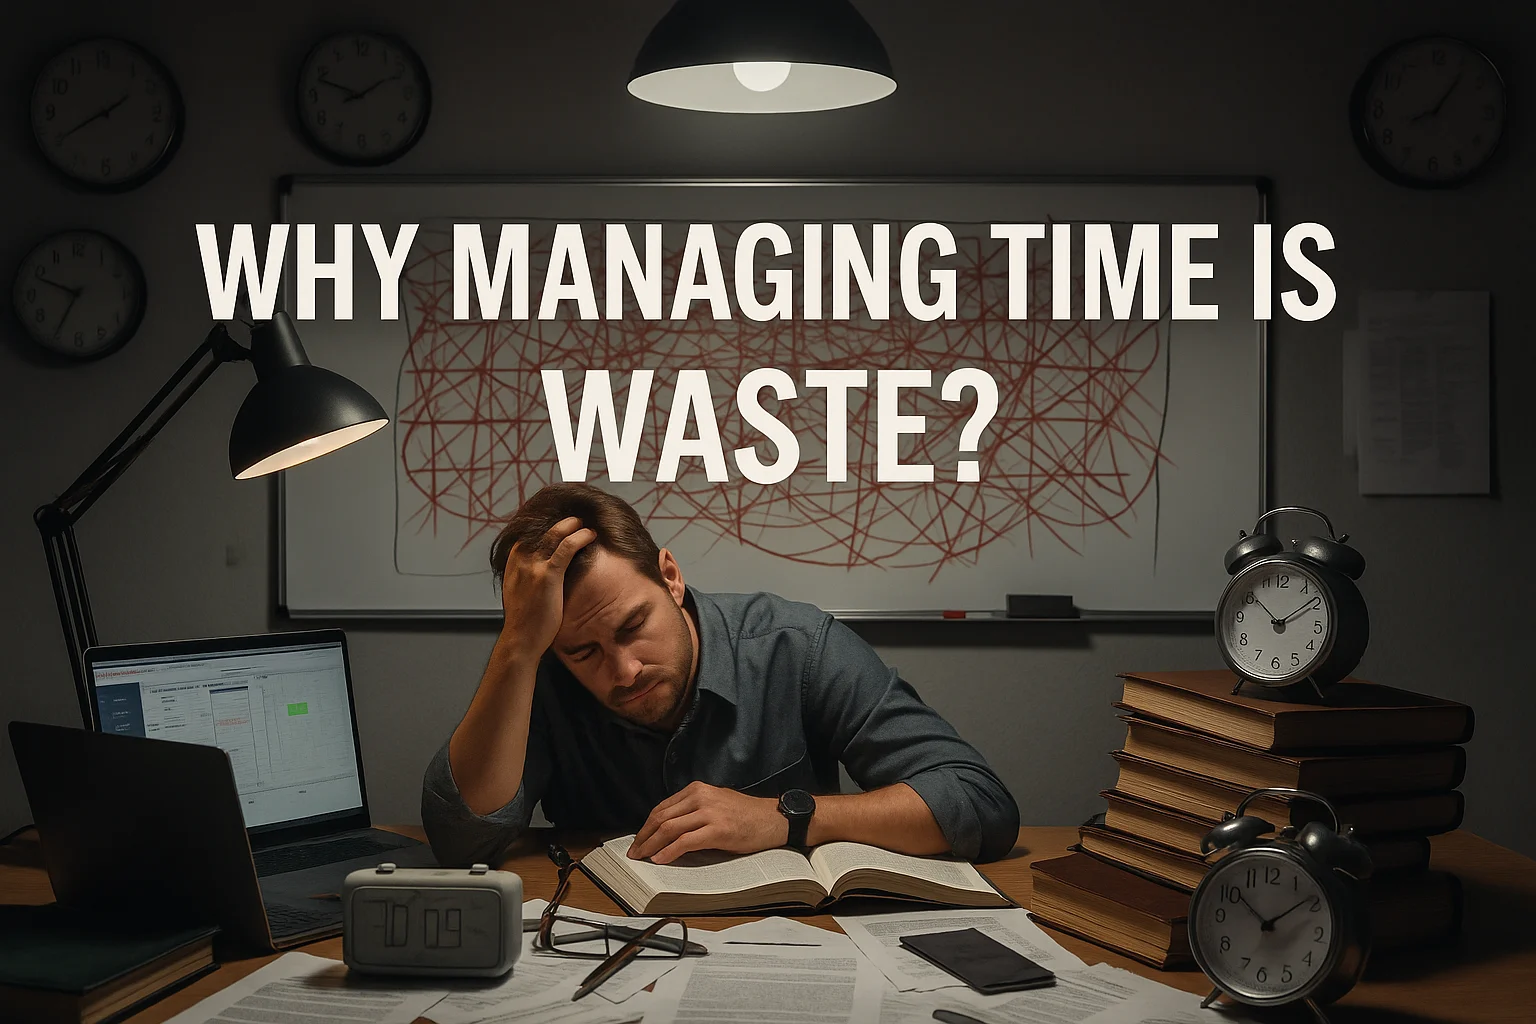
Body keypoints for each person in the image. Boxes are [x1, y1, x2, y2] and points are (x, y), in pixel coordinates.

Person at [421, 483, 1019, 868]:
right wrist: (517, 648)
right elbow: (460, 841)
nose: (624, 671)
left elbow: (980, 802)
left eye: (633, 626)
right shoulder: (539, 674)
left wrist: (784, 817)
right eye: (584, 653)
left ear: (670, 578)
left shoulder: (794, 646)